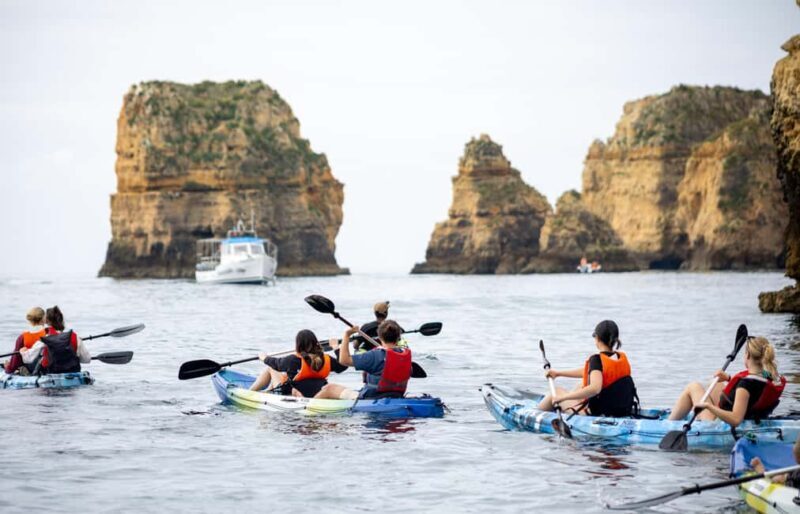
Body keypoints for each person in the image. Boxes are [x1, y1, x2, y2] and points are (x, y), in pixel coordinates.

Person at [667, 336, 785, 427]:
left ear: (748, 355)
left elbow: (736, 420)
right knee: (717, 383)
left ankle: (668, 425)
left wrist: (708, 406)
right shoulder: (768, 376)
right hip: (750, 415)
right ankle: (682, 416)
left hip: (718, 424)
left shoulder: (745, 386)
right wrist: (729, 378)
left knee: (693, 387)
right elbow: (753, 385)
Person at [537, 320, 639, 417]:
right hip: (620, 410)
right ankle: (564, 404)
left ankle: (536, 413)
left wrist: (562, 398)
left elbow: (595, 388)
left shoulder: (596, 359)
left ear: (597, 338)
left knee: (557, 391)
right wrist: (558, 373)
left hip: (597, 414)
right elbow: (591, 372)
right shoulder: (619, 357)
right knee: (581, 385)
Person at [315, 320, 412, 400]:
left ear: (380, 337)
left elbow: (343, 360)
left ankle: (307, 409)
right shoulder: (404, 355)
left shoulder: (375, 355)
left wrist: (347, 335)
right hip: (396, 395)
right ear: (398, 337)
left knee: (328, 388)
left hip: (371, 397)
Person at [249, 329, 348, 397]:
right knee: (284, 374)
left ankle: (249, 393)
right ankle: (267, 391)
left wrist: (264, 358)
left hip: (293, 393)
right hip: (318, 393)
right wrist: (336, 348)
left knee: (270, 368)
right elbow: (342, 366)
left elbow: (275, 364)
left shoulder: (293, 359)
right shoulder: (327, 359)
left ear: (298, 345)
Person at [20, 306, 91, 374]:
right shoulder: (75, 337)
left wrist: (23, 352)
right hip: (73, 372)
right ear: (62, 320)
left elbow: (28, 359)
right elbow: (87, 359)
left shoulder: (45, 339)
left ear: (46, 321)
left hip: (51, 373)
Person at [3, 307, 47, 375]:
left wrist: (8, 369)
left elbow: (16, 360)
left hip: (30, 367)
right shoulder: (48, 334)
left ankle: (22, 370)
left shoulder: (22, 337)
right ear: (43, 319)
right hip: (45, 366)